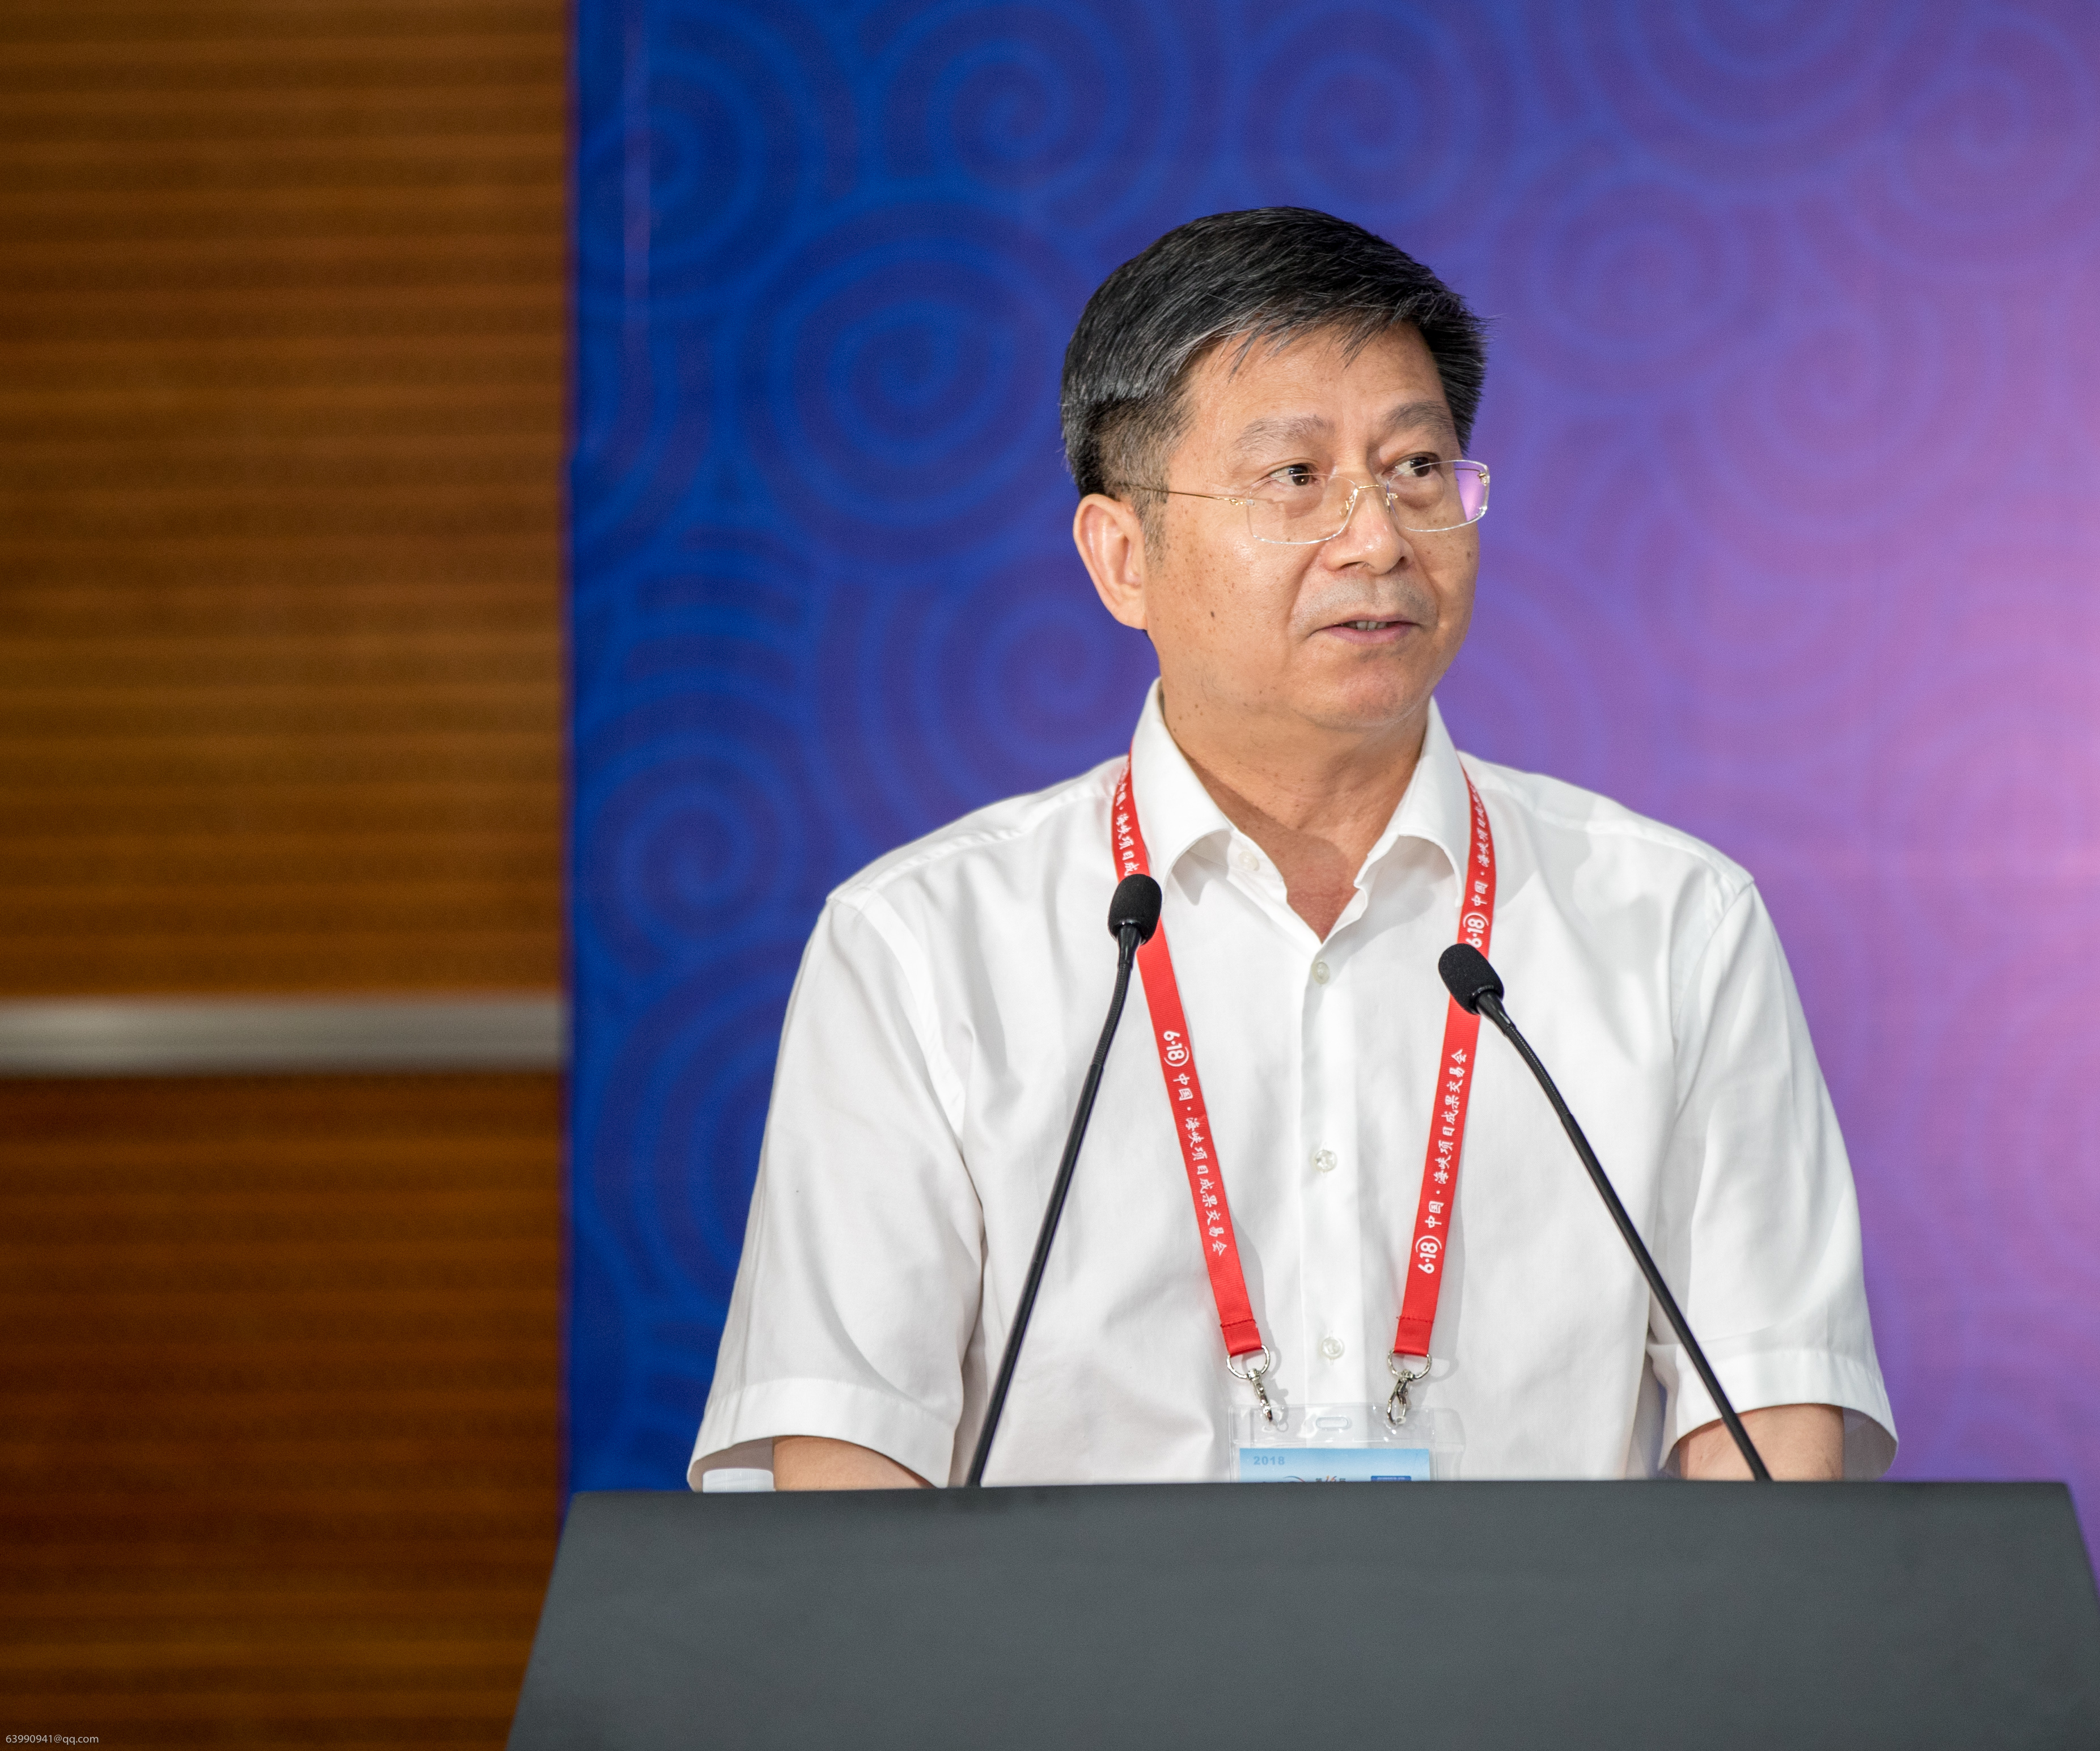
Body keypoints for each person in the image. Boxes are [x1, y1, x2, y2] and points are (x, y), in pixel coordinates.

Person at [690, 207, 1895, 1491]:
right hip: (1076, 1638)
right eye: (1295, 477)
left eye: (1418, 467)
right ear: (1122, 556)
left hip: (1548, 1635)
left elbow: (1769, 1431)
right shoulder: (923, 948)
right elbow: (847, 1463)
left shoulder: (1671, 922)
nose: (1378, 537)